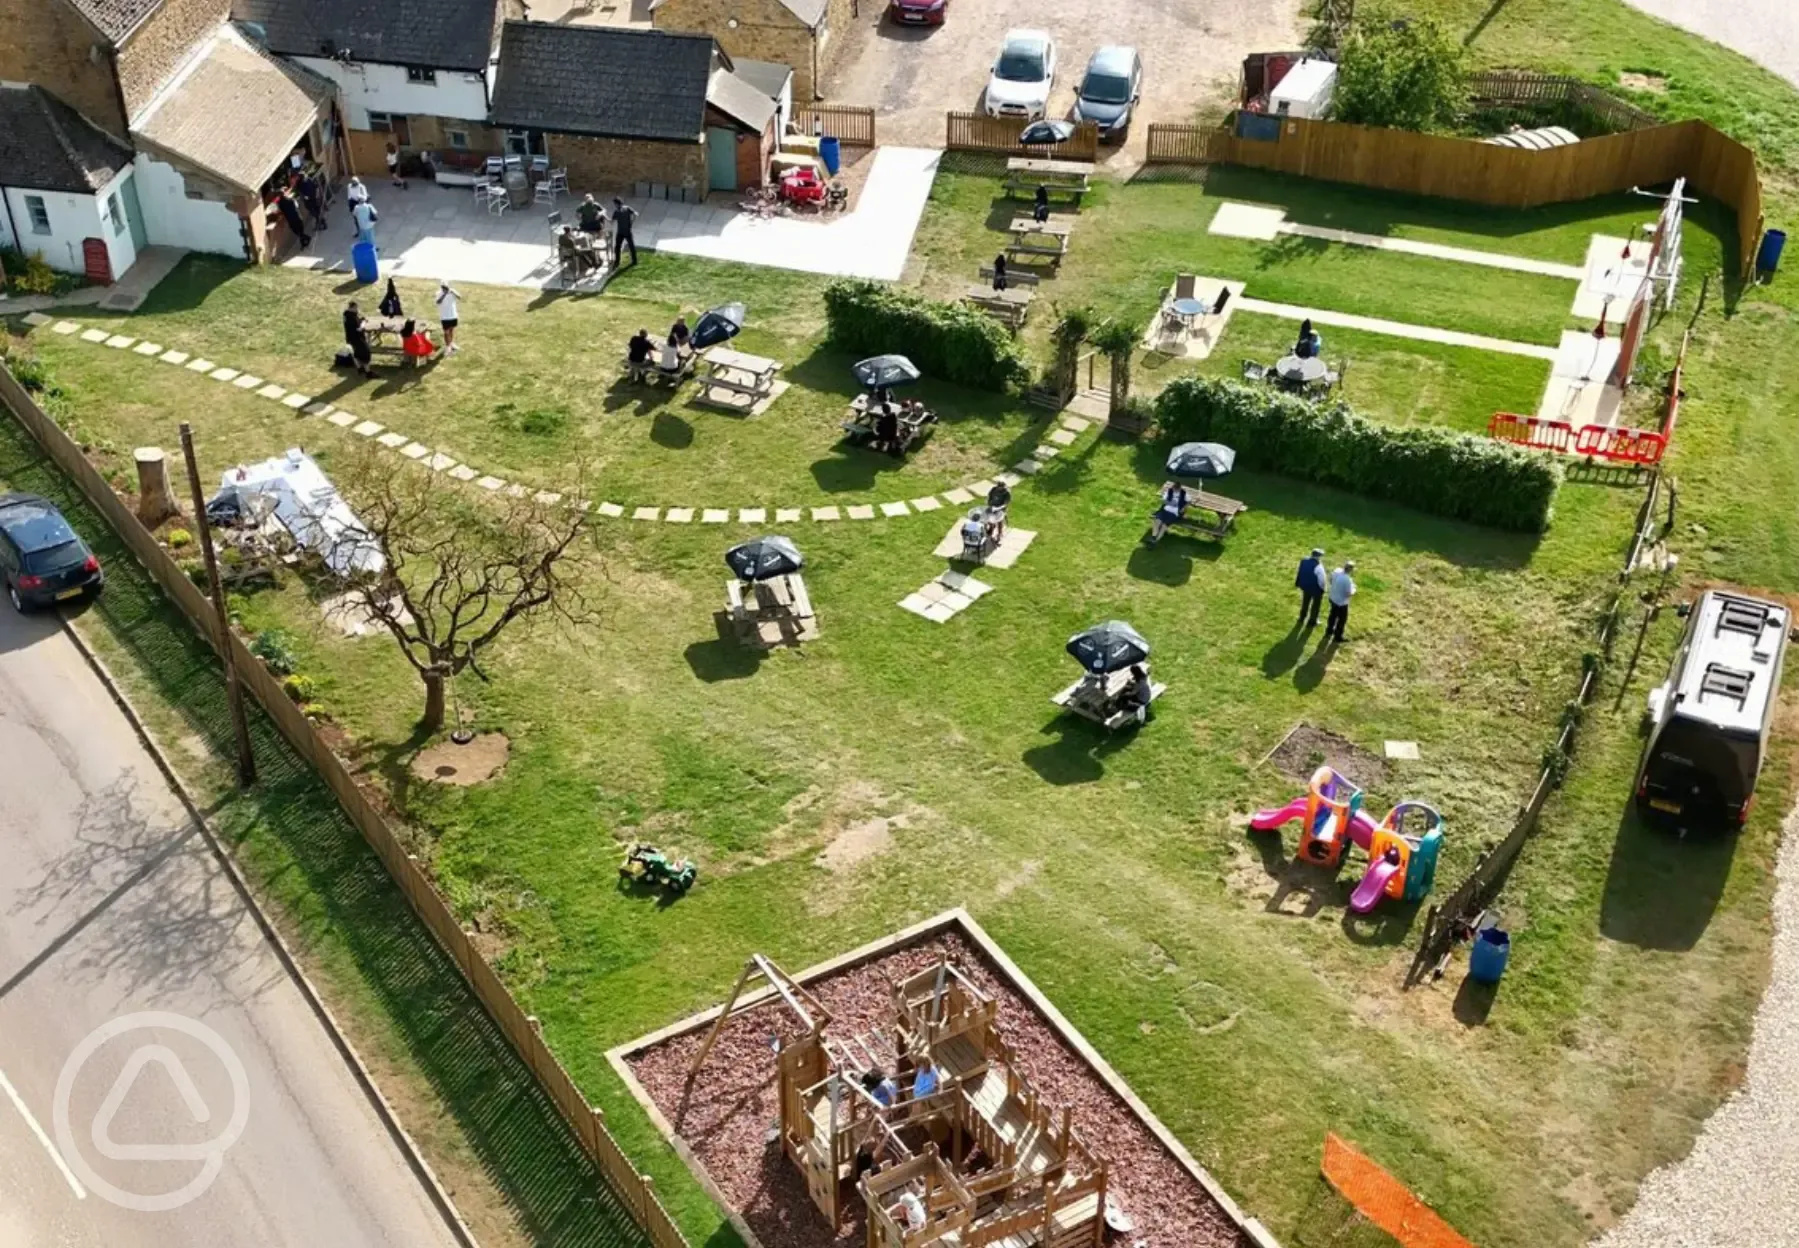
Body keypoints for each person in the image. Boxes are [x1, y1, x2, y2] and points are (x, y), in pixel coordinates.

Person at [1326, 559, 1357, 645]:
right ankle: (1338, 636)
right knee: (1342, 620)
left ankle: (1329, 631)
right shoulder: (1347, 580)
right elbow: (1348, 594)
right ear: (1351, 570)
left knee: (1332, 615)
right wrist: (1354, 589)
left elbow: (1330, 579)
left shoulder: (1337, 571)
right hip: (1341, 603)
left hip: (1332, 598)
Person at [1295, 546, 1326, 629]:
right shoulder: (1319, 566)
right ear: (1318, 556)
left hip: (1305, 586)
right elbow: (1322, 581)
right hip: (1315, 589)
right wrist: (1322, 589)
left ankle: (1302, 617)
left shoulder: (1304, 561)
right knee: (1316, 605)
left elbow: (1300, 572)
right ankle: (1312, 621)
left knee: (1305, 602)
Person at [342, 301, 374, 377]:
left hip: (350, 338)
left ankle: (360, 368)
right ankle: (368, 373)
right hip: (357, 338)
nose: (357, 309)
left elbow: (355, 323)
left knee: (356, 353)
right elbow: (359, 329)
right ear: (352, 308)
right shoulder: (351, 318)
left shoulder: (346, 315)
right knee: (366, 353)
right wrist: (363, 323)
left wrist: (361, 319)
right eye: (356, 308)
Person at [435, 280, 461, 355]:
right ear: (441, 287)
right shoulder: (438, 293)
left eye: (446, 287)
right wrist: (444, 294)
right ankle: (448, 347)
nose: (444, 288)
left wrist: (453, 292)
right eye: (443, 287)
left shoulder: (452, 292)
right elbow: (438, 302)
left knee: (451, 330)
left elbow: (459, 297)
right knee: (446, 332)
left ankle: (451, 343)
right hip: (444, 316)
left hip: (453, 315)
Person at [612, 197, 638, 267]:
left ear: (616, 204)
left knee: (617, 247)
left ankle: (617, 262)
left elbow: (611, 222)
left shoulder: (616, 212)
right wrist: (632, 222)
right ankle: (634, 261)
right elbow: (635, 214)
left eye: (614, 204)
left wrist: (603, 215)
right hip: (628, 231)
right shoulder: (627, 208)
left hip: (620, 232)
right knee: (631, 246)